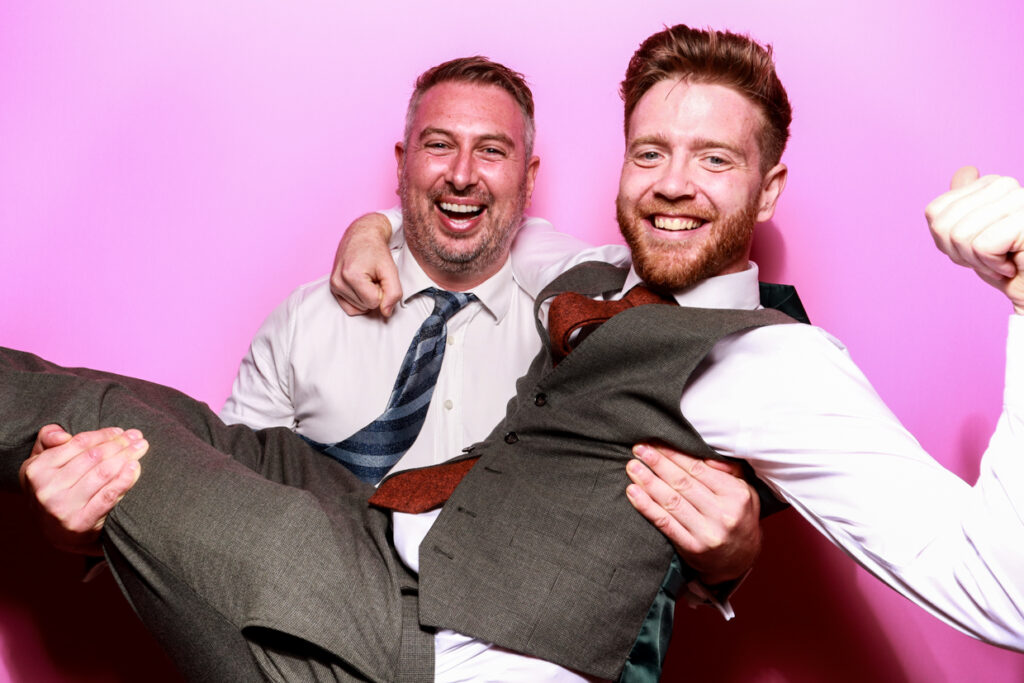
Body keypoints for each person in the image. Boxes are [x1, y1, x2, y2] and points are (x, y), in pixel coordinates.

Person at [6, 22, 1024, 682]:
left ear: (767, 192)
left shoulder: (770, 361)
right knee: (126, 400)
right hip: (359, 519)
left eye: (714, 160)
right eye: (650, 152)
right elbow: (464, 217)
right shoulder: (589, 277)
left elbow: (1001, 591)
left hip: (421, 634)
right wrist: (374, 223)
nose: (672, 183)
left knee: (112, 430)